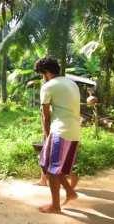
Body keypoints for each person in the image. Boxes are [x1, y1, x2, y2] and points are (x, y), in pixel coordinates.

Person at [35, 57, 80, 214]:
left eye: (42, 74)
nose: (42, 77)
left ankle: (55, 206)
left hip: (60, 131)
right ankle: (70, 191)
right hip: (74, 131)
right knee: (47, 164)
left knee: (53, 170)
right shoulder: (71, 83)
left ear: (46, 73)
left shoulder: (48, 86)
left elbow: (45, 116)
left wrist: (47, 136)